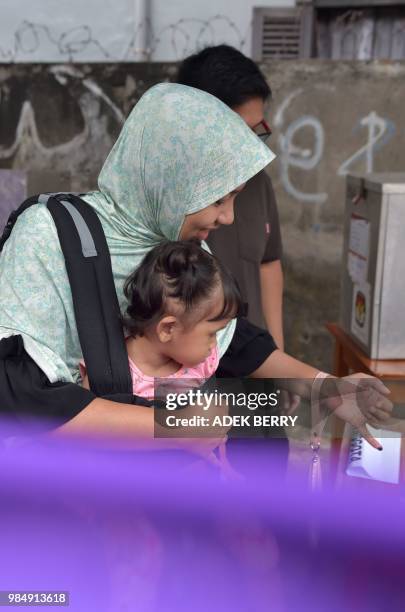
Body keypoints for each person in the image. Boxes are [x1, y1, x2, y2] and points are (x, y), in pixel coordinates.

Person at [0, 83, 391, 460]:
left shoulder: (176, 243)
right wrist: (173, 427)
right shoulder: (47, 237)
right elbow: (21, 397)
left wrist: (326, 388)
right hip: (62, 495)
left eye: (234, 197)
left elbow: (234, 340)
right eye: (217, 198)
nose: (228, 216)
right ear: (169, 179)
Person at [177, 45, 284, 348]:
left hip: (252, 360)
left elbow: (268, 262)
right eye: (240, 131)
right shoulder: (167, 195)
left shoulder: (258, 183)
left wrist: (276, 352)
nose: (227, 216)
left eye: (257, 131)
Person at [80, 240, 242, 397]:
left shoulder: (201, 365)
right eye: (211, 334)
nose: (214, 344)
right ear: (168, 329)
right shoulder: (107, 374)